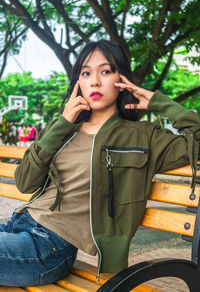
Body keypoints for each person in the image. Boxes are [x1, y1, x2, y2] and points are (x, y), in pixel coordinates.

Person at [0, 40, 199, 287]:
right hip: (18, 225)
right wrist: (62, 123)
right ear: (78, 83)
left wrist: (159, 102)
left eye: (105, 71)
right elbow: (24, 182)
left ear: (122, 80)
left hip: (50, 247)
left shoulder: (142, 136)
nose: (94, 81)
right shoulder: (61, 128)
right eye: (86, 73)